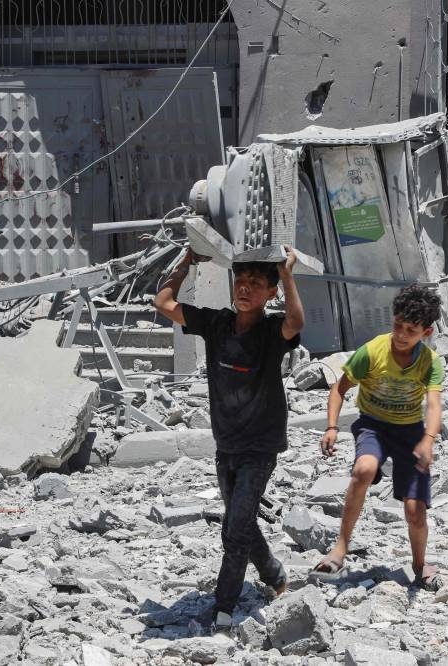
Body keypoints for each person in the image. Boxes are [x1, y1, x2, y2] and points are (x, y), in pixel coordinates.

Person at [154, 245, 304, 630]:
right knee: (242, 522)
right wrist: (187, 261)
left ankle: (224, 607)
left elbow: (296, 322)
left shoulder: (272, 331)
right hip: (227, 446)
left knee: (234, 528)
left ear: (270, 293)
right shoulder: (216, 323)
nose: (245, 288)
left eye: (256, 283)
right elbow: (164, 301)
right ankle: (275, 576)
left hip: (261, 446)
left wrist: (286, 273)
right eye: (241, 280)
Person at [314, 284, 444, 589]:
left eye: (410, 330)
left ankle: (419, 564)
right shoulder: (372, 351)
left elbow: (435, 404)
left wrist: (428, 440)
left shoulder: (429, 362)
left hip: (410, 432)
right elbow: (339, 389)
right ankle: (340, 547)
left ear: (426, 332)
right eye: (397, 325)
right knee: (364, 470)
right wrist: (332, 426)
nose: (400, 334)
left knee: (415, 510)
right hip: (373, 425)